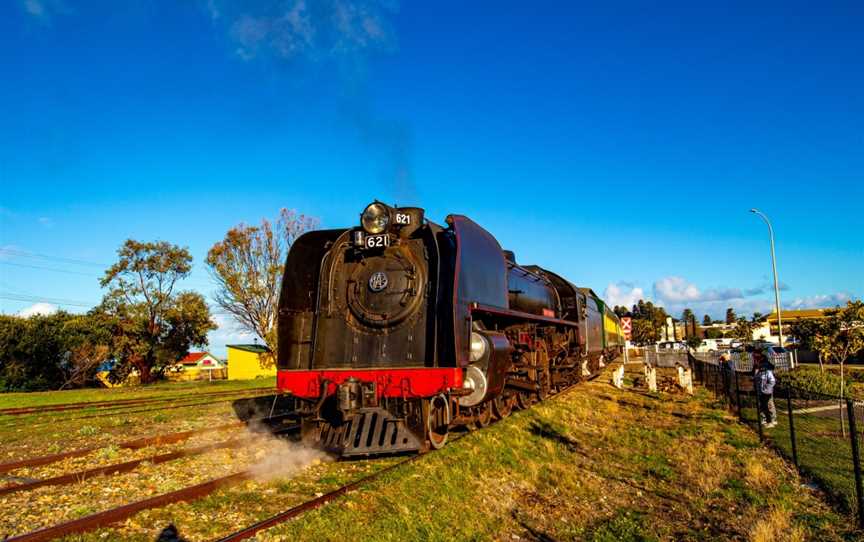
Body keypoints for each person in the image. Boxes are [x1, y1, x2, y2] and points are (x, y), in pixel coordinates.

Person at [753, 352, 777, 428]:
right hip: (760, 391)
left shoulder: (767, 369)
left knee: (768, 405)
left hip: (767, 392)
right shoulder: (758, 370)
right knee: (762, 405)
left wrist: (766, 389)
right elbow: (756, 379)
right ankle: (764, 419)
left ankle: (772, 420)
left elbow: (772, 381)